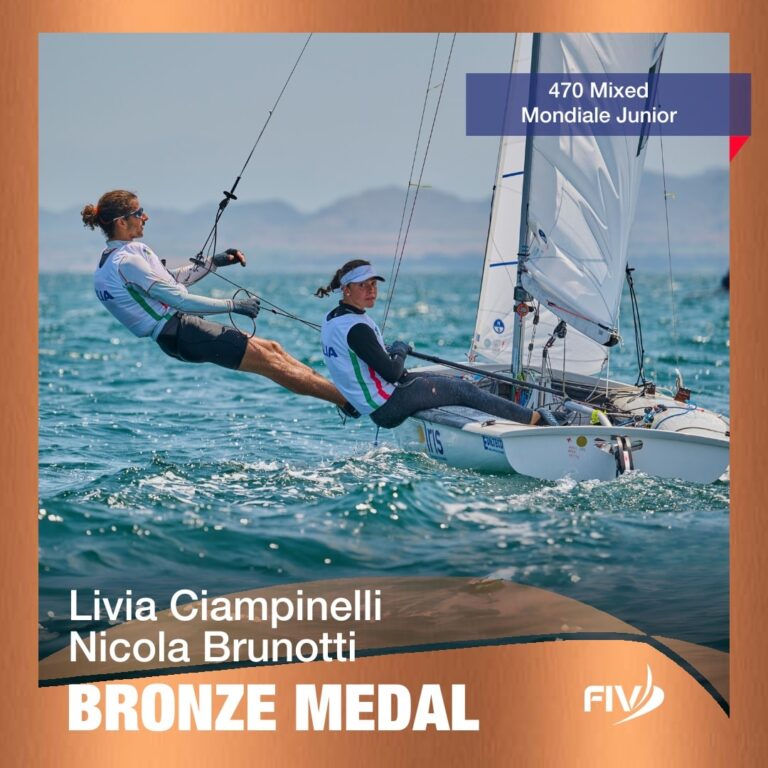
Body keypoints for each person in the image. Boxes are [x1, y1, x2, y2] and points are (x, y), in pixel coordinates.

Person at [83, 189, 357, 414]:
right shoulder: (126, 262)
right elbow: (179, 299)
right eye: (138, 212)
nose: (145, 217)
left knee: (273, 349)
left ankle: (347, 396)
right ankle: (351, 403)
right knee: (271, 364)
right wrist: (234, 306)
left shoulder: (120, 258)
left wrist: (214, 262)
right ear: (121, 222)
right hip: (181, 333)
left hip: (181, 331)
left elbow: (172, 281)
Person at [316, 259, 553, 429]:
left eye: (374, 284)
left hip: (377, 404)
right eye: (363, 285)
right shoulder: (356, 328)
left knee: (452, 380)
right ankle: (535, 420)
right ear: (346, 289)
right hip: (387, 405)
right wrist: (399, 350)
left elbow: (359, 358)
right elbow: (391, 373)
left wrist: (389, 354)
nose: (371, 290)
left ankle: (513, 417)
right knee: (464, 389)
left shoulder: (333, 319)